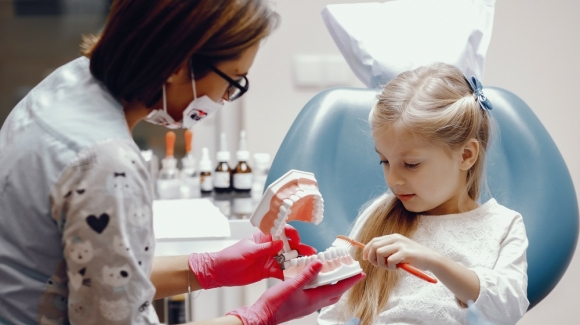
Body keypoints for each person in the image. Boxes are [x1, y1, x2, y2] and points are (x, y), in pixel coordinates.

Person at [0, 1, 364, 324]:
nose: (225, 97)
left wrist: (205, 269)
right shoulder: (107, 164)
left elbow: (95, 280)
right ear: (177, 64)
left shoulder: (65, 83)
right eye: (232, 80)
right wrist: (258, 317)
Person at [317, 63, 529, 325]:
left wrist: (434, 261)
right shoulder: (378, 215)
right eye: (384, 161)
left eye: (411, 164)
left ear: (466, 155)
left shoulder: (503, 226)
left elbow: (508, 310)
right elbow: (334, 308)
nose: (393, 179)